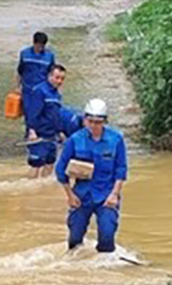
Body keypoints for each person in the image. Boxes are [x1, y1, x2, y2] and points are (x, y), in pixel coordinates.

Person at [55, 99, 128, 253]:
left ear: (105, 121)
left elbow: (121, 169)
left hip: (106, 195)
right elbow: (60, 169)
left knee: (107, 237)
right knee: (74, 239)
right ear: (85, 120)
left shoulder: (116, 140)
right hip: (81, 196)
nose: (94, 126)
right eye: (91, 121)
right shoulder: (75, 140)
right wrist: (69, 195)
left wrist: (114, 194)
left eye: (98, 122)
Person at [23, 64, 67, 178]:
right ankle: (30, 187)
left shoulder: (57, 94)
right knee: (36, 164)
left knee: (49, 163)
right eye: (57, 78)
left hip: (51, 135)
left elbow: (56, 115)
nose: (59, 81)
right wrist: (31, 131)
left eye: (62, 79)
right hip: (38, 134)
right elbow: (32, 112)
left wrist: (60, 131)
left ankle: (42, 187)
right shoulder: (39, 91)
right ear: (49, 76)